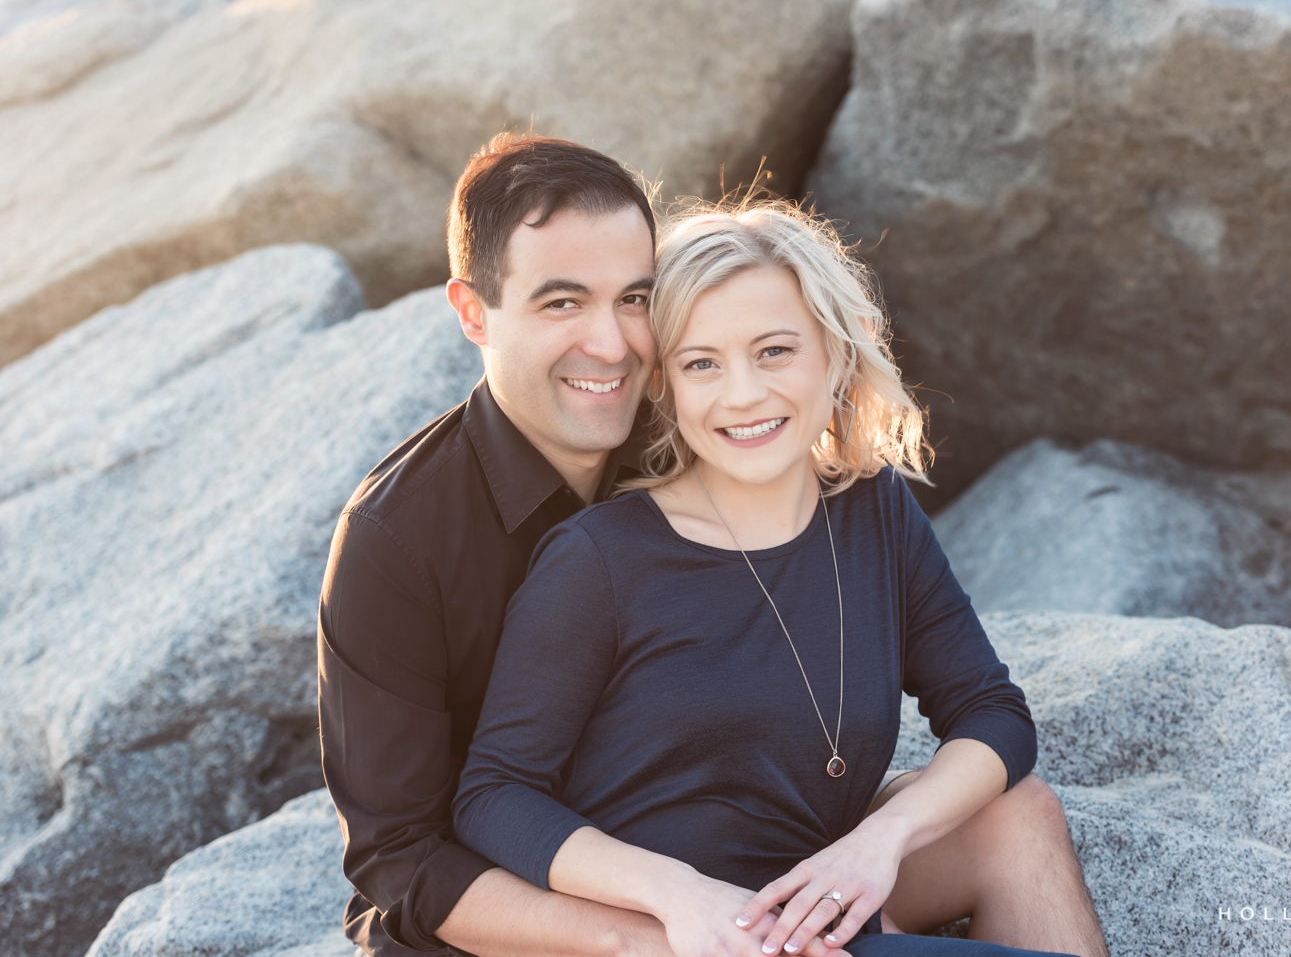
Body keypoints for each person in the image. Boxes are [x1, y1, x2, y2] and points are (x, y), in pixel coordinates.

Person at [319, 132, 1107, 957]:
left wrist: (880, 843)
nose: (612, 344)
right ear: (474, 311)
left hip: (765, 875)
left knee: (1018, 810)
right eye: (561, 302)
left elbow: (989, 705)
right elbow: (408, 855)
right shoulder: (402, 543)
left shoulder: (744, 444)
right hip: (540, 920)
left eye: (633, 299)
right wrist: (669, 925)